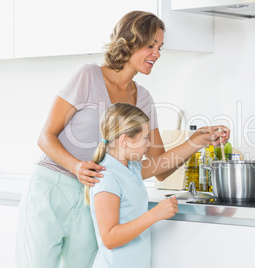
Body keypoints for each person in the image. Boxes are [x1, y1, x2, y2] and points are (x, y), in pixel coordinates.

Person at [16, 10, 230, 268]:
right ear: (130, 42)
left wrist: (196, 140)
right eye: (151, 45)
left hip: (94, 198)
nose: (157, 54)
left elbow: (157, 167)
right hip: (52, 188)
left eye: (160, 47)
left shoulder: (145, 100)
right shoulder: (86, 76)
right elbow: (45, 137)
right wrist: (76, 166)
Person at [87, 102, 180, 268]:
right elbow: (109, 238)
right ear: (124, 141)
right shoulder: (106, 177)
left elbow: (165, 162)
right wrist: (155, 214)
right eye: (145, 138)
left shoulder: (132, 168)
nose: (149, 144)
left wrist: (199, 140)